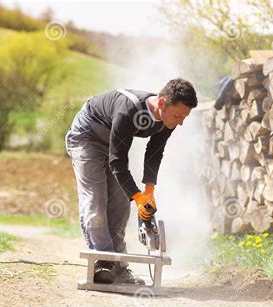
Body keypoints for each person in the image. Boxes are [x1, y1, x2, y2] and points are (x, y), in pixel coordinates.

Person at [65, 78, 198, 284]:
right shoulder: (129, 111)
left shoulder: (168, 118)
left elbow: (155, 152)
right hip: (86, 137)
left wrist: (149, 191)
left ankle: (117, 267)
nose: (180, 122)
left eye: (184, 117)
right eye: (178, 115)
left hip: (111, 143)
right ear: (162, 103)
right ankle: (102, 263)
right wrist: (137, 196)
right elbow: (117, 162)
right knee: (95, 200)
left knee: (120, 203)